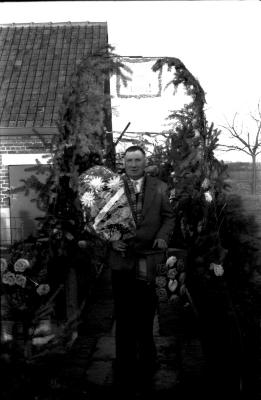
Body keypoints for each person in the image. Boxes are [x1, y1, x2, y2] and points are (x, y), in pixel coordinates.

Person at [108, 145, 175, 389]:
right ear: (123, 162)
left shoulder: (159, 187)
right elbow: (100, 219)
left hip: (149, 260)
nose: (133, 164)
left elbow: (169, 217)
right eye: (129, 160)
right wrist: (112, 239)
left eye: (138, 160)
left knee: (146, 313)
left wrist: (163, 237)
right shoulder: (111, 187)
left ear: (145, 162)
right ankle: (124, 363)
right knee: (124, 315)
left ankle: (148, 361)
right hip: (121, 261)